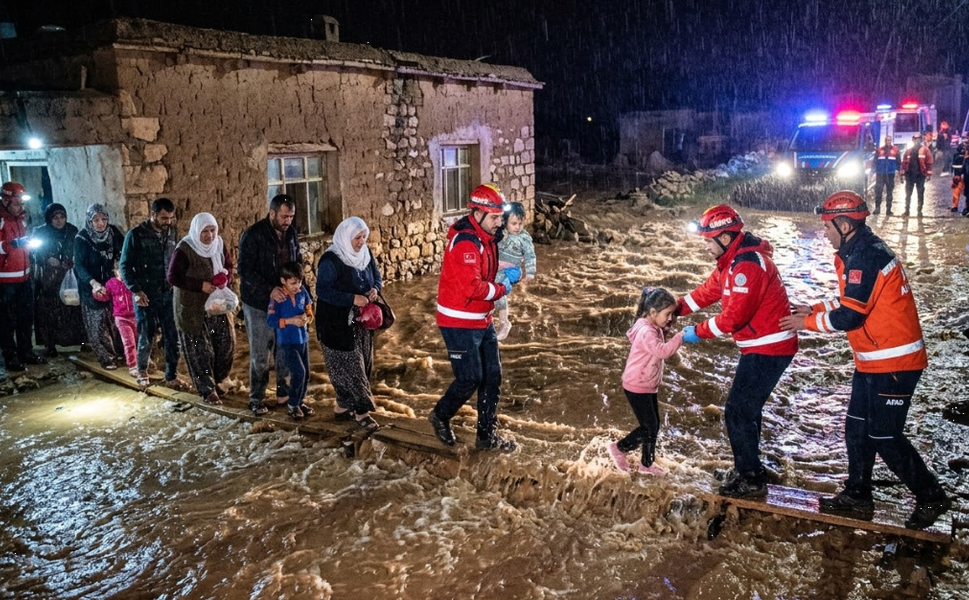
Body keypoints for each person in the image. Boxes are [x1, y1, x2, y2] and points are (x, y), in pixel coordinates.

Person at [779, 190, 950, 529]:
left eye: (827, 226)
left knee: (885, 436)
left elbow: (850, 318)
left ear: (845, 224)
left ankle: (932, 496)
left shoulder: (865, 257)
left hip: (895, 365)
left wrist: (805, 323)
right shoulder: (855, 251)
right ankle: (857, 494)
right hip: (873, 360)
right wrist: (812, 308)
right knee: (856, 427)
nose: (823, 232)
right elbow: (850, 300)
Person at [676, 204, 798, 498]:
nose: (706, 247)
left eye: (709, 241)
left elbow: (734, 318)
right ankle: (750, 468)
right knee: (748, 410)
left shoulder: (747, 266)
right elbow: (707, 292)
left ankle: (751, 480)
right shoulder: (731, 262)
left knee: (737, 411)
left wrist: (693, 333)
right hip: (764, 345)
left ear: (726, 239)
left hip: (770, 348)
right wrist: (673, 308)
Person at [427, 183, 522, 452]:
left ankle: (486, 437)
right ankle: (440, 416)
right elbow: (472, 287)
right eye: (494, 217)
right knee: (470, 377)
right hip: (458, 321)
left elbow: (484, 268)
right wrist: (502, 288)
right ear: (477, 214)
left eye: (501, 217)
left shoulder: (486, 237)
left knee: (492, 377)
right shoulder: (466, 242)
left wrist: (503, 268)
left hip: (481, 319)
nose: (499, 223)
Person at [608, 287, 686, 476]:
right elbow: (663, 351)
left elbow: (660, 333)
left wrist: (669, 322)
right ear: (652, 312)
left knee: (653, 425)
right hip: (637, 385)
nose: (670, 318)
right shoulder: (646, 332)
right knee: (648, 426)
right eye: (668, 314)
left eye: (672, 314)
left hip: (647, 384)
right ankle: (619, 448)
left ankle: (646, 464)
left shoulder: (651, 325)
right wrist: (680, 337)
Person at [315, 217, 383, 430]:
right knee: (351, 367)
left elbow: (377, 277)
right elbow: (323, 291)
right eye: (357, 238)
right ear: (345, 237)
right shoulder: (331, 260)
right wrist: (351, 298)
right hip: (335, 324)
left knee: (364, 363)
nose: (361, 241)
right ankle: (362, 413)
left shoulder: (366, 254)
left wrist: (375, 290)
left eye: (364, 237)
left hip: (361, 322)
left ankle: (342, 407)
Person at [239, 194, 302, 414]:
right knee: (260, 353)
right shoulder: (253, 236)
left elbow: (297, 263)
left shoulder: (291, 233)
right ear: (272, 213)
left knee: (284, 349)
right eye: (284, 216)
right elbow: (245, 270)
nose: (288, 221)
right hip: (258, 303)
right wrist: (270, 289)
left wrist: (301, 291)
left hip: (286, 301)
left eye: (291, 217)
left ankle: (283, 394)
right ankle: (256, 399)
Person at [167, 212, 236, 406]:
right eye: (205, 231)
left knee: (225, 345)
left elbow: (228, 265)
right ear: (197, 230)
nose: (210, 236)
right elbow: (173, 277)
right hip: (193, 308)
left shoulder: (219, 244)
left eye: (212, 230)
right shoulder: (185, 249)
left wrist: (225, 277)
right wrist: (200, 285)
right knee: (199, 351)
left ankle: (220, 380)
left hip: (217, 305)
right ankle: (207, 390)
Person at [120, 197, 187, 389]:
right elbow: (124, 266)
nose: (168, 222)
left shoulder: (172, 233)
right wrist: (136, 291)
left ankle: (171, 375)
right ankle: (142, 370)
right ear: (152, 215)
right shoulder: (136, 235)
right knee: (146, 334)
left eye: (170, 218)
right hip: (145, 295)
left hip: (168, 293)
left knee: (172, 335)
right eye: (164, 218)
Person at [0, 182, 47, 371]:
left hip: (24, 277)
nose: (21, 207)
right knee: (6, 321)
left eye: (22, 204)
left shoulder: (21, 219)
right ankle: (10, 356)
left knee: (26, 317)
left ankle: (26, 351)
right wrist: (14, 244)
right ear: (5, 201)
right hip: (4, 280)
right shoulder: (1, 220)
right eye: (17, 204)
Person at [73, 203, 125, 369]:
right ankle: (106, 357)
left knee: (115, 319)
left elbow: (123, 253)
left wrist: (119, 269)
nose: (100, 223)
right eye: (95, 220)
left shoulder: (114, 233)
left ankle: (120, 353)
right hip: (90, 286)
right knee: (97, 322)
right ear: (89, 221)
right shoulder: (82, 238)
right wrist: (93, 283)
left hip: (111, 284)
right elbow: (79, 265)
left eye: (103, 219)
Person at [31, 202, 85, 357]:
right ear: (50, 218)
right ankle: (50, 344)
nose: (59, 221)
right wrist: (46, 258)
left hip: (67, 275)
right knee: (48, 311)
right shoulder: (41, 232)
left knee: (71, 307)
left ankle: (76, 340)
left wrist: (71, 260)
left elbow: (78, 249)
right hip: (49, 279)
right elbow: (34, 251)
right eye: (55, 217)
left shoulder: (72, 230)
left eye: (62, 217)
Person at [267, 261, 315, 420]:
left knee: (306, 373)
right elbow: (271, 321)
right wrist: (290, 321)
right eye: (293, 283)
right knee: (298, 372)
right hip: (287, 342)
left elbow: (309, 311)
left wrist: (307, 318)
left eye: (299, 282)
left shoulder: (303, 293)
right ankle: (292, 404)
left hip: (303, 339)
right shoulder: (278, 298)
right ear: (283, 281)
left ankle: (300, 401)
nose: (297, 286)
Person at [493, 201, 537, 341]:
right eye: (514, 223)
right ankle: (487, 316)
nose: (517, 227)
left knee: (499, 289)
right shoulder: (501, 233)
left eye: (520, 223)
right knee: (489, 287)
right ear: (505, 222)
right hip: (497, 268)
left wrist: (530, 273)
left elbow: (530, 255)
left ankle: (505, 323)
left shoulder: (524, 238)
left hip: (512, 271)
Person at [105, 261, 138, 376]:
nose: (123, 274)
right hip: (121, 318)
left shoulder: (132, 281)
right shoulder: (111, 283)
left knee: (140, 340)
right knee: (129, 342)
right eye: (120, 271)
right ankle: (133, 365)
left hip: (135, 316)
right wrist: (97, 293)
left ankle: (143, 362)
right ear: (115, 271)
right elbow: (105, 296)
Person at [901, 133, 933, 216]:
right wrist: (903, 173)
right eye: (915, 139)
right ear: (913, 140)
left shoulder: (925, 150)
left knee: (920, 193)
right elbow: (904, 162)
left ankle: (919, 211)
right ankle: (907, 210)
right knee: (908, 194)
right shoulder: (909, 151)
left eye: (918, 139)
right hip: (910, 175)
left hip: (920, 175)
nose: (917, 141)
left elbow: (929, 162)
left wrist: (928, 174)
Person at [872, 135, 900, 215]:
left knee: (889, 192)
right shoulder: (879, 150)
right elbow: (875, 161)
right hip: (880, 174)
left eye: (889, 140)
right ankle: (877, 208)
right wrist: (873, 172)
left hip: (890, 174)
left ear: (891, 141)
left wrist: (899, 171)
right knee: (878, 192)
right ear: (885, 141)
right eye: (887, 140)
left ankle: (888, 210)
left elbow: (898, 161)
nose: (888, 142)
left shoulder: (895, 150)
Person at [950, 141, 969, 215]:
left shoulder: (956, 155)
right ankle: (966, 208)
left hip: (958, 176)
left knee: (957, 192)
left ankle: (955, 206)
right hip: (964, 177)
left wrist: (954, 174)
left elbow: (953, 166)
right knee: (967, 193)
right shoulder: (965, 157)